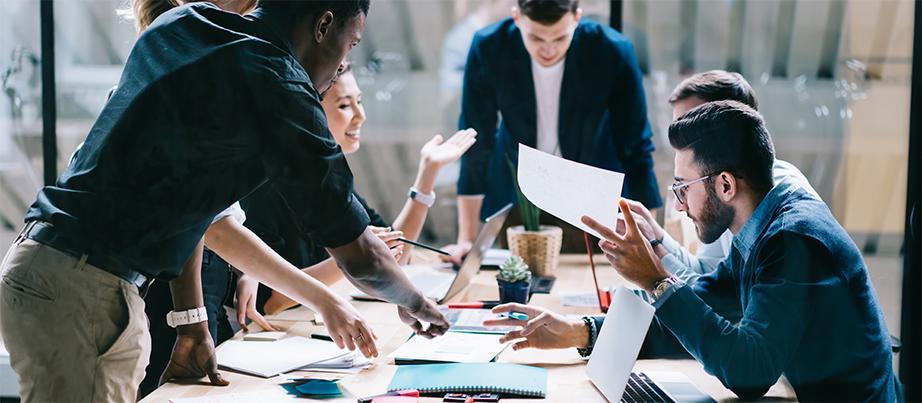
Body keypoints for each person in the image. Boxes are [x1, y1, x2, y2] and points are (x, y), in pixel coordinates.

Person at [0, 1, 450, 401]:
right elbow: (362, 255)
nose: (341, 66)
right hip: (85, 288)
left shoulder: (182, 23)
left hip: (51, 267)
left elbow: (191, 208)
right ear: (323, 24)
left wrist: (193, 322)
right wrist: (418, 303)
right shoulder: (277, 82)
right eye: (349, 45)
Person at [497, 101, 902, 401]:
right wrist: (582, 330)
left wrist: (656, 279)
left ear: (725, 185)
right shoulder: (761, 226)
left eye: (682, 188)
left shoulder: (792, 239)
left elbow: (748, 372)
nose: (677, 205)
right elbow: (706, 302)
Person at [229, 64, 477, 317]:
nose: (361, 115)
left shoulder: (328, 179)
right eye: (345, 105)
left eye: (359, 101)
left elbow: (393, 256)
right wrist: (356, 257)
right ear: (307, 112)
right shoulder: (265, 189)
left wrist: (427, 174)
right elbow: (271, 301)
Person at [446, 0, 661, 259]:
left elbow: (636, 145)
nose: (548, 49)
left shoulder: (612, 50)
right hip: (518, 197)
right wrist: (466, 239)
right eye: (535, 38)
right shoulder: (489, 47)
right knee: (517, 284)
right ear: (517, 18)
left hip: (592, 196)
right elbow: (477, 143)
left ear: (576, 18)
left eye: (560, 38)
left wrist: (652, 241)